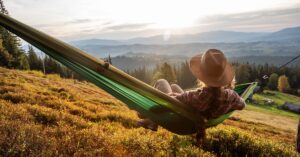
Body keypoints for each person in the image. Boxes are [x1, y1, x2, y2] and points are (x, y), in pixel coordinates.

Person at [137, 49, 246, 143]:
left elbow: (168, 102)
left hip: (182, 120)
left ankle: (152, 121)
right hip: (195, 118)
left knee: (162, 82)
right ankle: (152, 122)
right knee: (174, 86)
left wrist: (144, 109)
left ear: (202, 75)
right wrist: (228, 102)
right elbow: (242, 105)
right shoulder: (231, 96)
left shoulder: (195, 96)